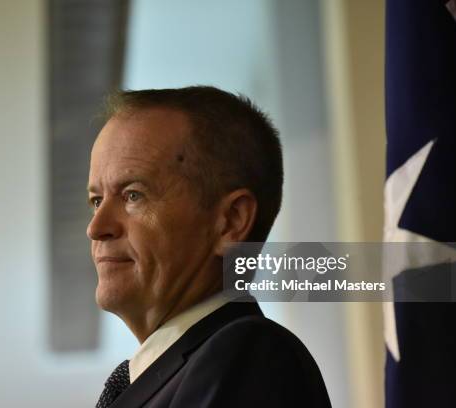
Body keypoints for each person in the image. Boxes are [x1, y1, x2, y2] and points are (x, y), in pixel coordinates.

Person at [87, 86, 331, 407]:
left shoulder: (249, 357)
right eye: (96, 200)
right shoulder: (166, 374)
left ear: (230, 221)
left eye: (133, 195)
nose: (97, 228)